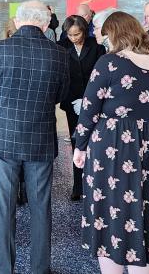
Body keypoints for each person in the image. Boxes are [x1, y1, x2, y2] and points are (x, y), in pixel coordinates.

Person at [73, 11, 149, 274]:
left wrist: (80, 146)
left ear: (114, 34)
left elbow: (89, 109)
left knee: (112, 209)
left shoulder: (109, 63)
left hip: (115, 148)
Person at [0, 0, 69, 274]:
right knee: (41, 207)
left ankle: (5, 268)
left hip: (4, 140)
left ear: (17, 21)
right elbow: (62, 96)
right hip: (40, 139)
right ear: (46, 23)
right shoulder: (59, 53)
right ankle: (40, 268)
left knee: (4, 208)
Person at [58, 15, 105, 201]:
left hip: (94, 100)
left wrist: (88, 98)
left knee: (95, 142)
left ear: (84, 31)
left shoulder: (96, 46)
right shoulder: (62, 46)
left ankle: (95, 183)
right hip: (71, 101)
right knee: (77, 142)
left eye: (77, 34)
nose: (74, 38)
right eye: (70, 35)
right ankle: (78, 185)